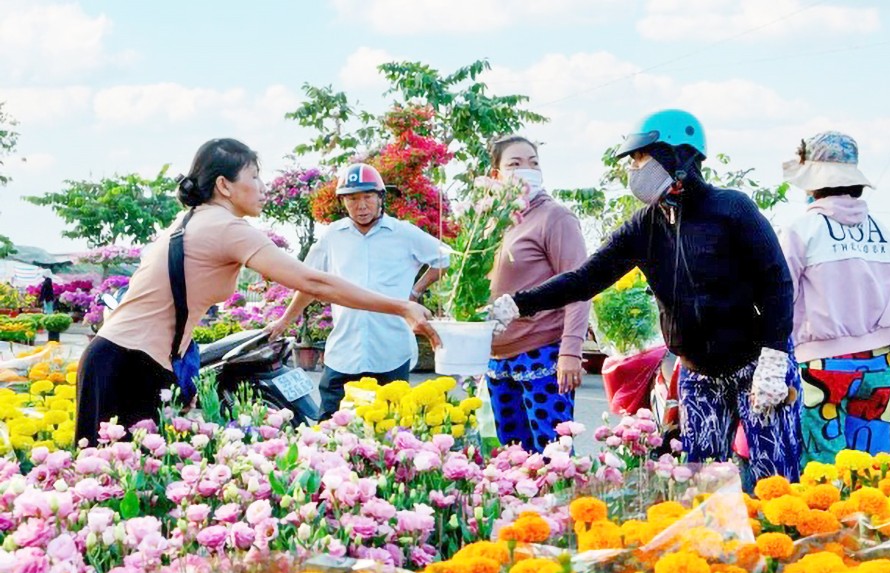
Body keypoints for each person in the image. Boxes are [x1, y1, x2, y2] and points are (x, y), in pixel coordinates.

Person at [492, 109, 803, 484]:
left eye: (641, 157)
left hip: (757, 365)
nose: (635, 169)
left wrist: (774, 355)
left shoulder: (732, 209)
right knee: (702, 483)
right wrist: (520, 303)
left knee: (776, 477)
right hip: (698, 371)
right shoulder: (645, 226)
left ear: (676, 156)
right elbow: (585, 279)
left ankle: (784, 539)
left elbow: (777, 282)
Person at [76, 139, 439, 445]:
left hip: (130, 360)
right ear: (224, 185)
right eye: (254, 176)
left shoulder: (195, 219)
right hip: (126, 363)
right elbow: (313, 282)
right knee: (113, 488)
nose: (263, 186)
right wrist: (401, 306)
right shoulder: (226, 228)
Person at [779, 131, 890, 463]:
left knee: (824, 470)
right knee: (870, 468)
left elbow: (782, 297)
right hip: (879, 365)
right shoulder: (882, 232)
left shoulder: (802, 230)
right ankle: (869, 517)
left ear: (813, 181)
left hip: (822, 366)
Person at [268, 163, 450, 420]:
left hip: (390, 350)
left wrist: (416, 291)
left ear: (380, 198)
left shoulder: (404, 233)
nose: (361, 206)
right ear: (343, 202)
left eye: (367, 197)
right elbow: (310, 283)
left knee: (389, 432)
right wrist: (285, 320)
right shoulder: (333, 236)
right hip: (344, 352)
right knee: (329, 428)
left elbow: (446, 260)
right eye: (352, 199)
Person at [484, 136, 590, 452]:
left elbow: (580, 286)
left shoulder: (555, 217)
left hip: (543, 354)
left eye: (533, 162)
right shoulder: (491, 223)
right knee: (512, 458)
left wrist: (571, 351)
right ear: (496, 174)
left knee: (552, 457)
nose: (526, 170)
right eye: (515, 164)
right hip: (498, 360)